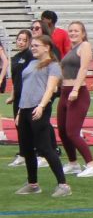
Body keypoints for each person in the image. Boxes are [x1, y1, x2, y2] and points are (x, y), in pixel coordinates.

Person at [13, 35, 70, 197]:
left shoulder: (53, 66)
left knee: (45, 148)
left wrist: (41, 106)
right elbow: (26, 89)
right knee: (26, 149)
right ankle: (33, 184)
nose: (33, 48)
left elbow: (50, 89)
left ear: (47, 47)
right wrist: (19, 112)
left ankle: (63, 184)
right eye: (32, 45)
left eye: (37, 45)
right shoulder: (31, 63)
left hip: (38, 109)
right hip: (24, 109)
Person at [58, 21, 93, 178]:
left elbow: (83, 68)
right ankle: (73, 163)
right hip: (64, 92)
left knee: (72, 132)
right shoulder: (71, 49)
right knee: (62, 131)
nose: (73, 33)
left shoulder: (85, 46)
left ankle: (92, 165)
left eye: (76, 31)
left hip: (77, 92)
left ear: (83, 33)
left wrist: (75, 89)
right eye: (70, 30)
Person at [5, 29, 34, 168]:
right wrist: (12, 96)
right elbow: (16, 79)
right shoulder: (15, 57)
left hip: (28, 97)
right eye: (19, 39)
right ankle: (24, 153)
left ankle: (31, 153)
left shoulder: (30, 55)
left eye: (24, 40)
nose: (21, 42)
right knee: (19, 126)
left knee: (27, 126)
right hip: (18, 97)